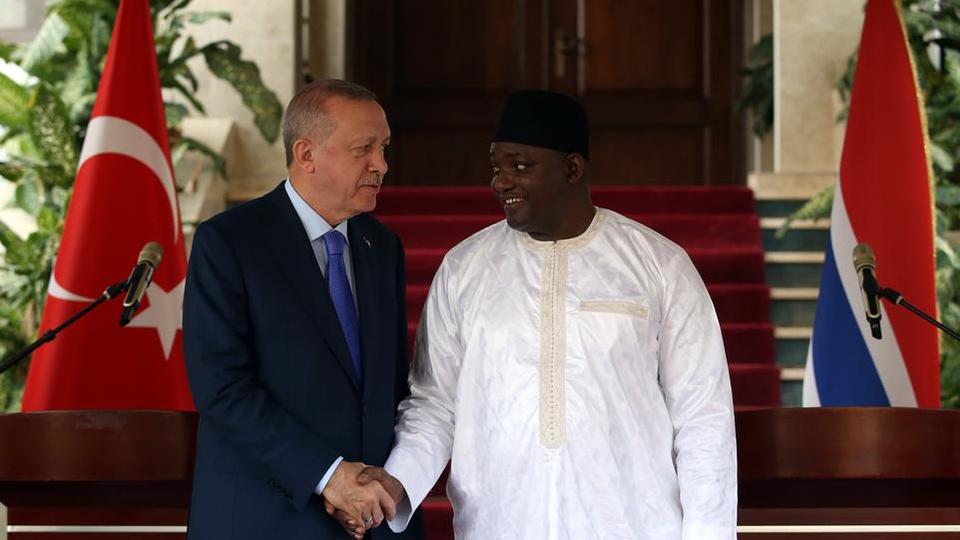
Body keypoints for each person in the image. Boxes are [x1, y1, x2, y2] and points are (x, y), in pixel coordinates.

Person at [337, 90, 737, 539]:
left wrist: (709, 533)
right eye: (497, 167)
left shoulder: (658, 265)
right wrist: (398, 482)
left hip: (632, 524)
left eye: (521, 166)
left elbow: (703, 416)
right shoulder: (465, 268)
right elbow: (434, 404)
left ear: (572, 168)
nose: (501, 182)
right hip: (501, 524)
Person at [183, 79, 424, 539]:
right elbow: (222, 388)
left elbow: (390, 389)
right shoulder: (230, 242)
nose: (381, 164)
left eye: (384, 148)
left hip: (369, 520)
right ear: (306, 153)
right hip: (266, 518)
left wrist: (373, 489)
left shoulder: (382, 246)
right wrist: (329, 477)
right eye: (364, 148)